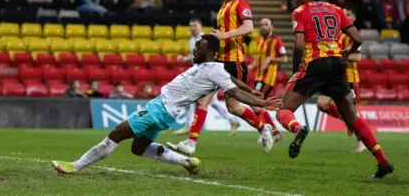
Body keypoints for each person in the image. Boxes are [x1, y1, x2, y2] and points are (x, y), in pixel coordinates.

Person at [52, 35, 282, 175]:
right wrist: (250, 87)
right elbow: (231, 80)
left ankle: (75, 166)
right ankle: (186, 161)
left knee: (118, 132)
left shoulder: (212, 69)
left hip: (160, 109)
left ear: (210, 52)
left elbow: (233, 92)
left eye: (199, 47)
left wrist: (260, 102)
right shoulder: (214, 68)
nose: (194, 49)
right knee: (138, 148)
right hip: (164, 110)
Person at [278, 0, 394, 178]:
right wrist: (348, 51)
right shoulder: (336, 9)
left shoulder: (300, 12)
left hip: (315, 62)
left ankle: (298, 128)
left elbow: (298, 45)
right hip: (338, 64)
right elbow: (358, 38)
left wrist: (297, 67)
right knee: (352, 117)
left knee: (283, 109)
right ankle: (383, 161)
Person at [167, 0, 275, 156]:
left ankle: (264, 128)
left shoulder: (241, 4)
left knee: (233, 107)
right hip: (218, 62)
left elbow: (248, 28)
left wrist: (224, 35)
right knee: (203, 100)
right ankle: (191, 143)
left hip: (234, 62)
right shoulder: (225, 6)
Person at [316, 9, 366, 154]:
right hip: (334, 78)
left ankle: (362, 142)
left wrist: (338, 55)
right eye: (343, 14)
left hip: (349, 78)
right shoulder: (333, 35)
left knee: (352, 113)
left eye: (348, 14)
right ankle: (346, 120)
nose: (345, 16)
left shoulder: (352, 35)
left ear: (354, 17)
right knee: (321, 103)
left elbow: (357, 58)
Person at [247, 18, 286, 141]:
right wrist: (252, 65)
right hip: (259, 77)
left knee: (255, 103)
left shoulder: (277, 41)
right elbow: (258, 57)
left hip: (268, 78)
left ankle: (268, 131)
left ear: (271, 27)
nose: (263, 27)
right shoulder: (259, 39)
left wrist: (270, 59)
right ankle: (272, 132)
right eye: (262, 24)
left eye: (266, 24)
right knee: (258, 105)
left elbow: (284, 59)